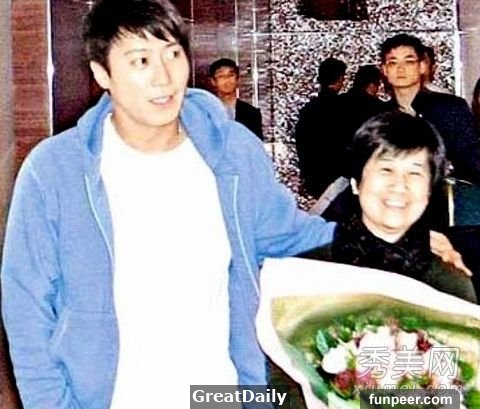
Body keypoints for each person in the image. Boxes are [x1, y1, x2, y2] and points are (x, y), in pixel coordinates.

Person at [0, 0, 338, 407]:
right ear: (102, 74)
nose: (163, 77)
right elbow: (26, 308)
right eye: (140, 60)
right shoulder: (57, 169)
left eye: (173, 54)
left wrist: (390, 235)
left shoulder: (232, 152)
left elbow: (291, 237)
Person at [301, 111, 477, 303]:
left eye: (414, 173)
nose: (399, 185)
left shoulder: (449, 284)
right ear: (355, 183)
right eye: (386, 170)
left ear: (429, 191)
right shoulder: (310, 274)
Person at [381, 34, 480, 187]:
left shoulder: (450, 108)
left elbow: (471, 159)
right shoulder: (378, 116)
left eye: (409, 61)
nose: (400, 69)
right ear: (384, 70)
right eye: (393, 63)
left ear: (422, 66)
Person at [294, 57, 347, 197]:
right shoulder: (344, 108)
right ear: (340, 79)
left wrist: (305, 173)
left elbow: (301, 144)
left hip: (315, 176)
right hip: (339, 176)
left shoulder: (308, 109)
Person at [208, 58, 264, 140]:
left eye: (230, 75)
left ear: (237, 80)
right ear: (213, 81)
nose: (227, 80)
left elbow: (256, 144)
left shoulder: (251, 113)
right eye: (221, 76)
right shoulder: (206, 111)